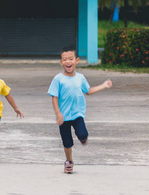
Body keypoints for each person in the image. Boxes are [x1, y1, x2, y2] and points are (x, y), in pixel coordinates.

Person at [48, 46, 112, 174]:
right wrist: (58, 114)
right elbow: (54, 98)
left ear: (77, 60)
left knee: (83, 135)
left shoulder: (80, 78)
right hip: (64, 117)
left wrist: (103, 86)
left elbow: (88, 91)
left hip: (78, 114)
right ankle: (69, 161)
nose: (68, 62)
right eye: (65, 59)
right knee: (67, 142)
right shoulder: (58, 79)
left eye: (70, 59)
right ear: (61, 62)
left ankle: (82, 138)